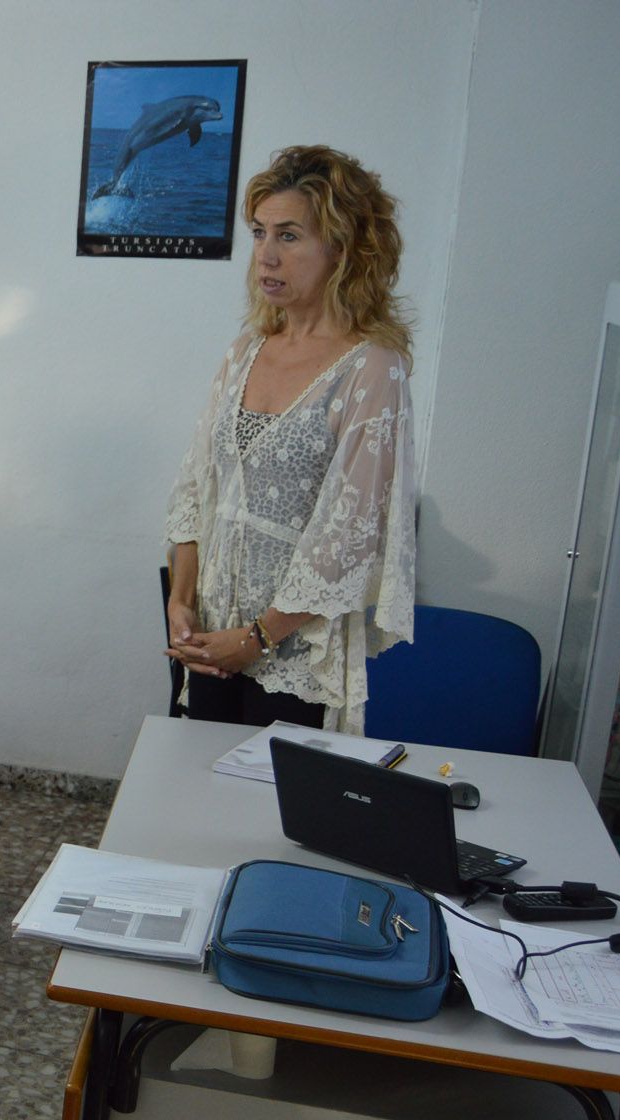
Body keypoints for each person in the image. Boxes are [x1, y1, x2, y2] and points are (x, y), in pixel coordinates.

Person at [163, 144, 418, 731]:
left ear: (343, 249)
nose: (266, 257)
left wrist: (255, 639)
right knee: (196, 797)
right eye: (258, 234)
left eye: (289, 236)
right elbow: (196, 492)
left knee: (270, 814)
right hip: (209, 636)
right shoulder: (246, 351)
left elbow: (347, 540)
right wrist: (180, 602)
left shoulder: (372, 368)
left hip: (293, 654)